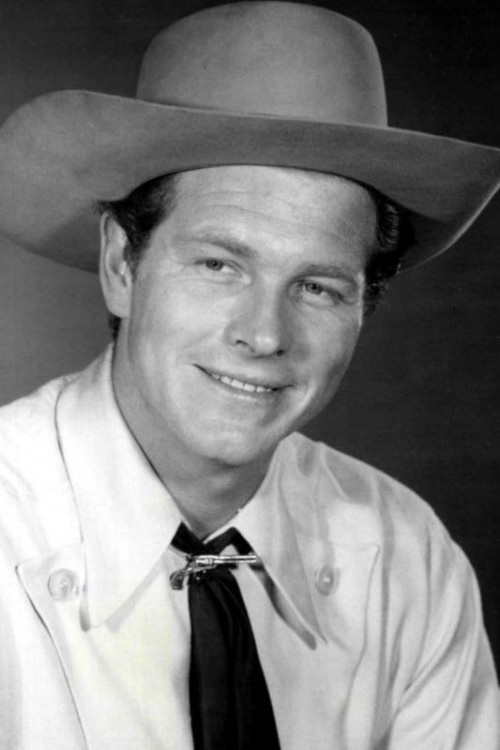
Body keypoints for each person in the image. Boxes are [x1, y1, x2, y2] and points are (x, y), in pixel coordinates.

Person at [0, 3, 498, 749]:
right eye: (219, 265)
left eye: (318, 287)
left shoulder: (406, 558)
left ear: (364, 308)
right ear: (122, 265)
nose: (265, 335)